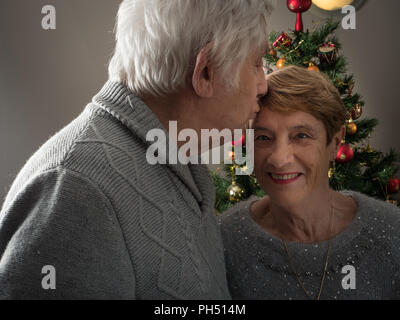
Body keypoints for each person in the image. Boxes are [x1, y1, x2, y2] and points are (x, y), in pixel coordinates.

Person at [0, 0, 273, 299]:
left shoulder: (174, 158)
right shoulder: (74, 190)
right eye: (257, 63)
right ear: (205, 71)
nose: (263, 85)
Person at [219, 66, 400, 300]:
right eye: (263, 137)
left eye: (301, 136)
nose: (279, 159)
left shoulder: (390, 233)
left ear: (335, 142)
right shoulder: (224, 242)